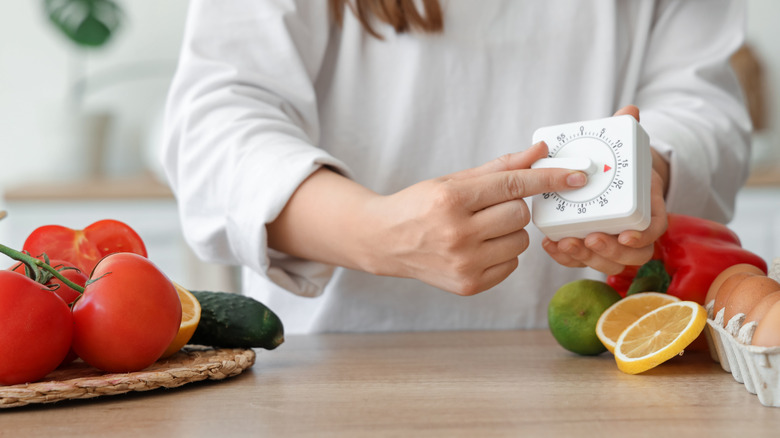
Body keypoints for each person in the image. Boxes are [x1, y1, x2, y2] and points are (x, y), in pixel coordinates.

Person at [162, 0, 751, 333]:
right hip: (338, 362)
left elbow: (700, 101)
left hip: (588, 361)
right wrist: (373, 231)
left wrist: (648, 170)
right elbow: (216, 126)